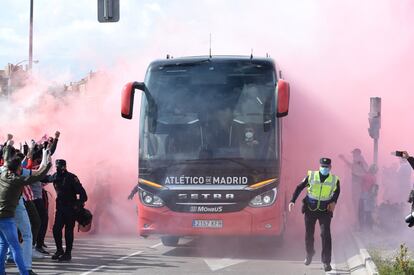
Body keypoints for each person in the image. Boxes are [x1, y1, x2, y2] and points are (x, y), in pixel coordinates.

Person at [0, 146, 51, 275]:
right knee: (22, 240)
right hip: (10, 214)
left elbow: (9, 159)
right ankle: (26, 270)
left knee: (3, 243)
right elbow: (39, 173)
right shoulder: (18, 178)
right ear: (18, 168)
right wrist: (47, 159)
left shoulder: (2, 172)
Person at [288, 158, 340, 272]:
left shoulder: (335, 180)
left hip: (325, 210)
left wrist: (333, 202)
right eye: (322, 166)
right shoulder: (311, 176)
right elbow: (299, 187)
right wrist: (292, 201)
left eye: (326, 167)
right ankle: (309, 253)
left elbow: (337, 193)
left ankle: (326, 262)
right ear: (319, 166)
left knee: (325, 234)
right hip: (310, 209)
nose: (324, 169)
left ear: (330, 167)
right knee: (309, 234)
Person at [42, 159, 87, 261]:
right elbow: (45, 179)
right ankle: (59, 250)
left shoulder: (72, 177)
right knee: (56, 229)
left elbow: (83, 195)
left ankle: (68, 253)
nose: (58, 168)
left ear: (64, 166)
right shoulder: (55, 176)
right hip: (60, 208)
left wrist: (77, 205)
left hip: (70, 208)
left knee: (68, 231)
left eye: (59, 166)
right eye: (57, 166)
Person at [339, 148, 368, 226]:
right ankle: (357, 223)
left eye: (354, 154)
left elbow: (364, 170)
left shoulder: (359, 160)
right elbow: (352, 167)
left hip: (357, 183)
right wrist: (344, 159)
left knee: (356, 204)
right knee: (355, 203)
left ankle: (358, 224)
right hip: (356, 183)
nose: (353, 155)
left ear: (357, 154)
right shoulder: (359, 161)